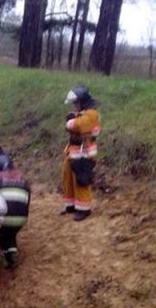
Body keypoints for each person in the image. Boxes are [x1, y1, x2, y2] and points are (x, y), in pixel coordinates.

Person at [61, 85, 100, 221]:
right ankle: (71, 204)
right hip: (74, 152)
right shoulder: (83, 113)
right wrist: (73, 120)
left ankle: (84, 209)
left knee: (81, 180)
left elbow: (78, 126)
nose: (74, 106)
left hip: (84, 154)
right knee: (68, 178)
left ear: (82, 101)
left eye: (75, 103)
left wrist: (70, 122)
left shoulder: (91, 114)